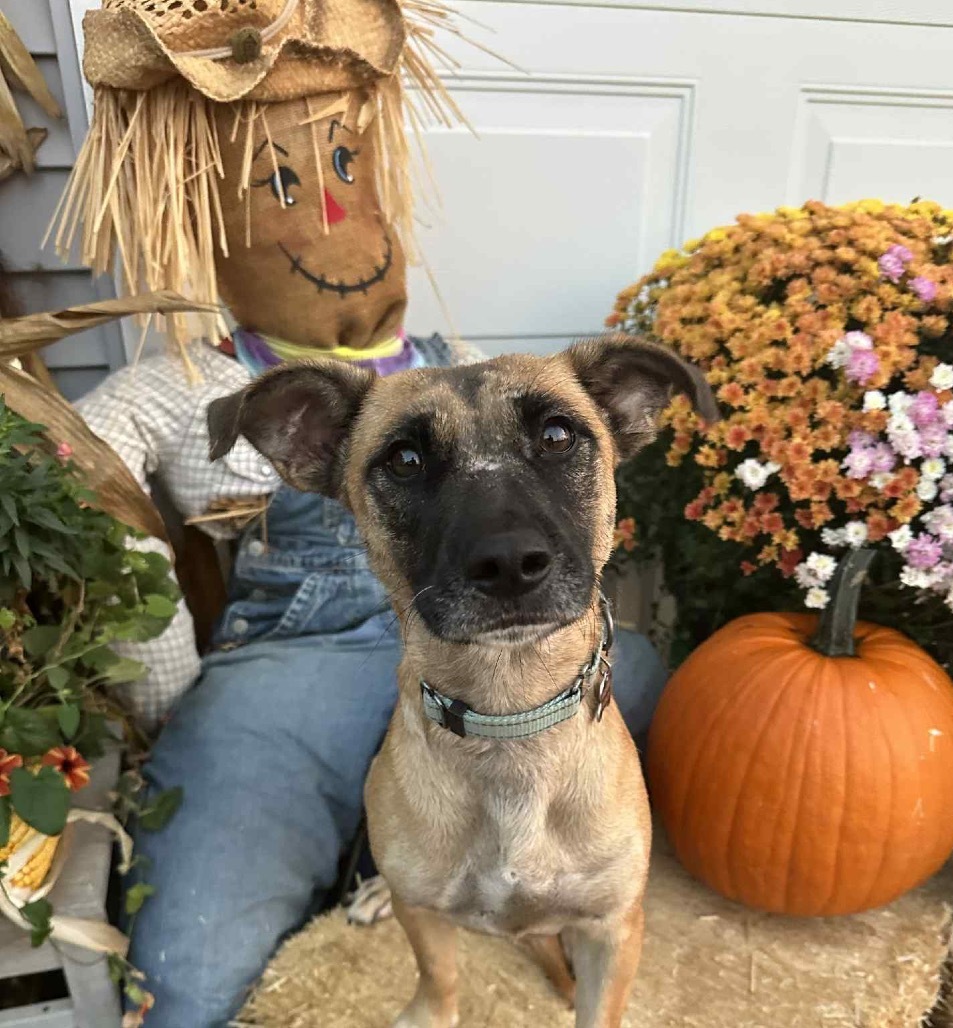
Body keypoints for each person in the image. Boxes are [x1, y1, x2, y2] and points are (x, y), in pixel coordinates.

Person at [57, 2, 669, 1024]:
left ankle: (386, 851)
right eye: (281, 186)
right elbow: (70, 475)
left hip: (532, 696)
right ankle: (408, 911)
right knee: (187, 979)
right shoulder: (219, 394)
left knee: (660, 680)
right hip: (292, 657)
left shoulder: (448, 371)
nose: (327, 216)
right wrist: (157, 662)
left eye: (555, 442)